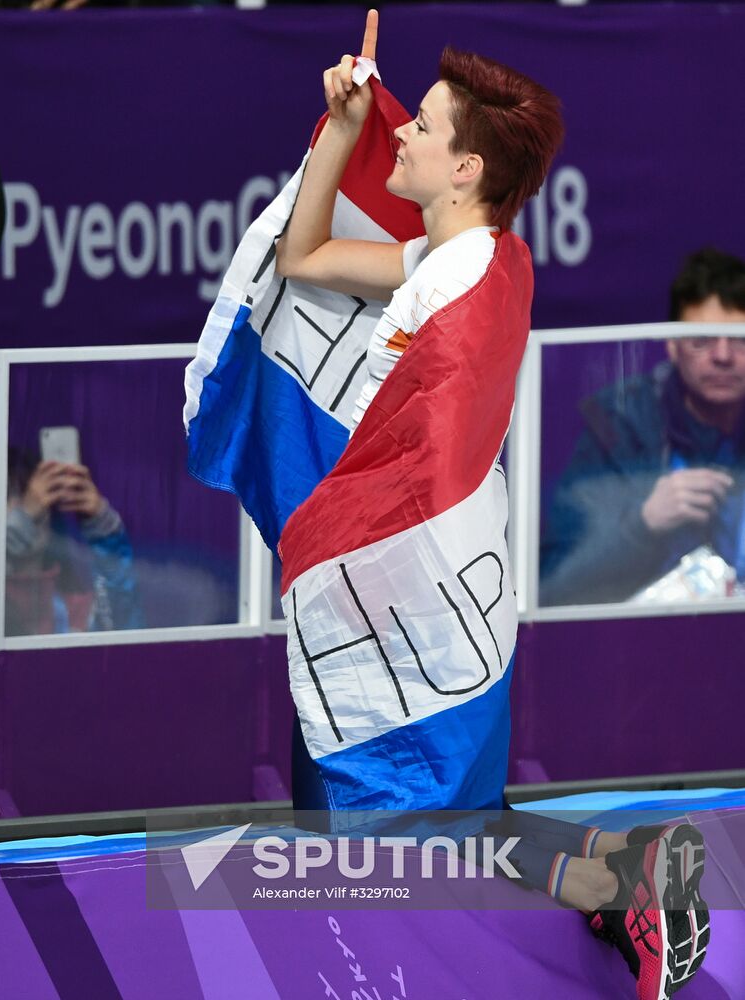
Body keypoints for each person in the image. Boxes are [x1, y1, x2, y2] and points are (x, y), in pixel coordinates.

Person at [274, 13, 707, 999]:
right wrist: (343, 126)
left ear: (465, 169)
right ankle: (617, 882)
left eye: (420, 127)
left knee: (401, 832)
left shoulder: (473, 278)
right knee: (457, 818)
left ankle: (614, 874)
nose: (405, 138)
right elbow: (301, 258)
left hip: (412, 593)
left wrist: (346, 522)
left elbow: (434, 436)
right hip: (421, 593)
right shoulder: (454, 261)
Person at [541, 247, 745, 606]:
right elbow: (555, 587)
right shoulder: (619, 427)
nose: (723, 356)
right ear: (671, 345)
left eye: (740, 339)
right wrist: (642, 524)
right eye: (703, 340)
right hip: (648, 646)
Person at [6, 448, 143, 635]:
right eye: (5, 497)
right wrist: (20, 525)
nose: (30, 506)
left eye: (26, 493)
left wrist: (102, 527)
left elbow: (127, 635)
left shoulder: (80, 613)